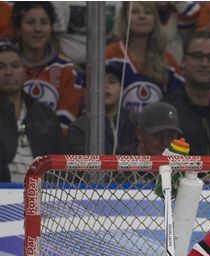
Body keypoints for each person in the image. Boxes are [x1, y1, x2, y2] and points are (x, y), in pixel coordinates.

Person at [0, 40, 64, 182]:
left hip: (43, 195)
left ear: (24, 72)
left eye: (15, 66)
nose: (8, 73)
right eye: (1, 67)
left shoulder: (46, 115)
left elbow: (60, 165)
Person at [12, 1, 84, 129]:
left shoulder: (67, 71)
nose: (38, 29)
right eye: (30, 22)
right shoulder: (5, 68)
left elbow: (65, 125)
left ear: (51, 28)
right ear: (18, 28)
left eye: (44, 23)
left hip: (52, 146)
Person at [104, 1, 184, 115]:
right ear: (125, 17)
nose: (142, 16)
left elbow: (178, 103)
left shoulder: (167, 60)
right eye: (134, 12)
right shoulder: (110, 56)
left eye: (148, 12)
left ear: (155, 19)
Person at [67, 63, 134, 155]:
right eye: (99, 82)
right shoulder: (78, 128)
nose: (105, 86)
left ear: (122, 89)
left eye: (112, 82)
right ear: (86, 91)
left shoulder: (135, 121)